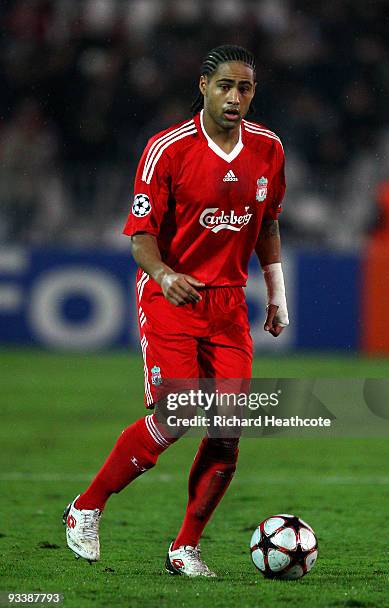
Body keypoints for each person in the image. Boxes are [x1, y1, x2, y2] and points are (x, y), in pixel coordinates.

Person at [63, 44, 289, 577]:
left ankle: (185, 547)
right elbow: (141, 239)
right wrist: (166, 275)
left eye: (246, 88)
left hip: (229, 306)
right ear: (203, 85)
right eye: (226, 86)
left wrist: (276, 295)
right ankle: (86, 507)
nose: (236, 98)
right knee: (177, 415)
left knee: (228, 429)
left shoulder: (269, 149)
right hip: (171, 296)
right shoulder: (167, 149)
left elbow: (269, 224)